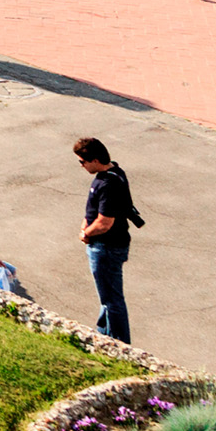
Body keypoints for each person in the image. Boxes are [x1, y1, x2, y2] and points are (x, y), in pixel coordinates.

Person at [74, 138, 136, 345]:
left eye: (83, 161)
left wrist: (86, 234)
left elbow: (104, 222)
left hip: (106, 247)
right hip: (109, 245)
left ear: (96, 160)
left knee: (111, 299)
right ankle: (103, 334)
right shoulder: (113, 172)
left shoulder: (108, 184)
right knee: (107, 297)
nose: (81, 165)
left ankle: (119, 344)